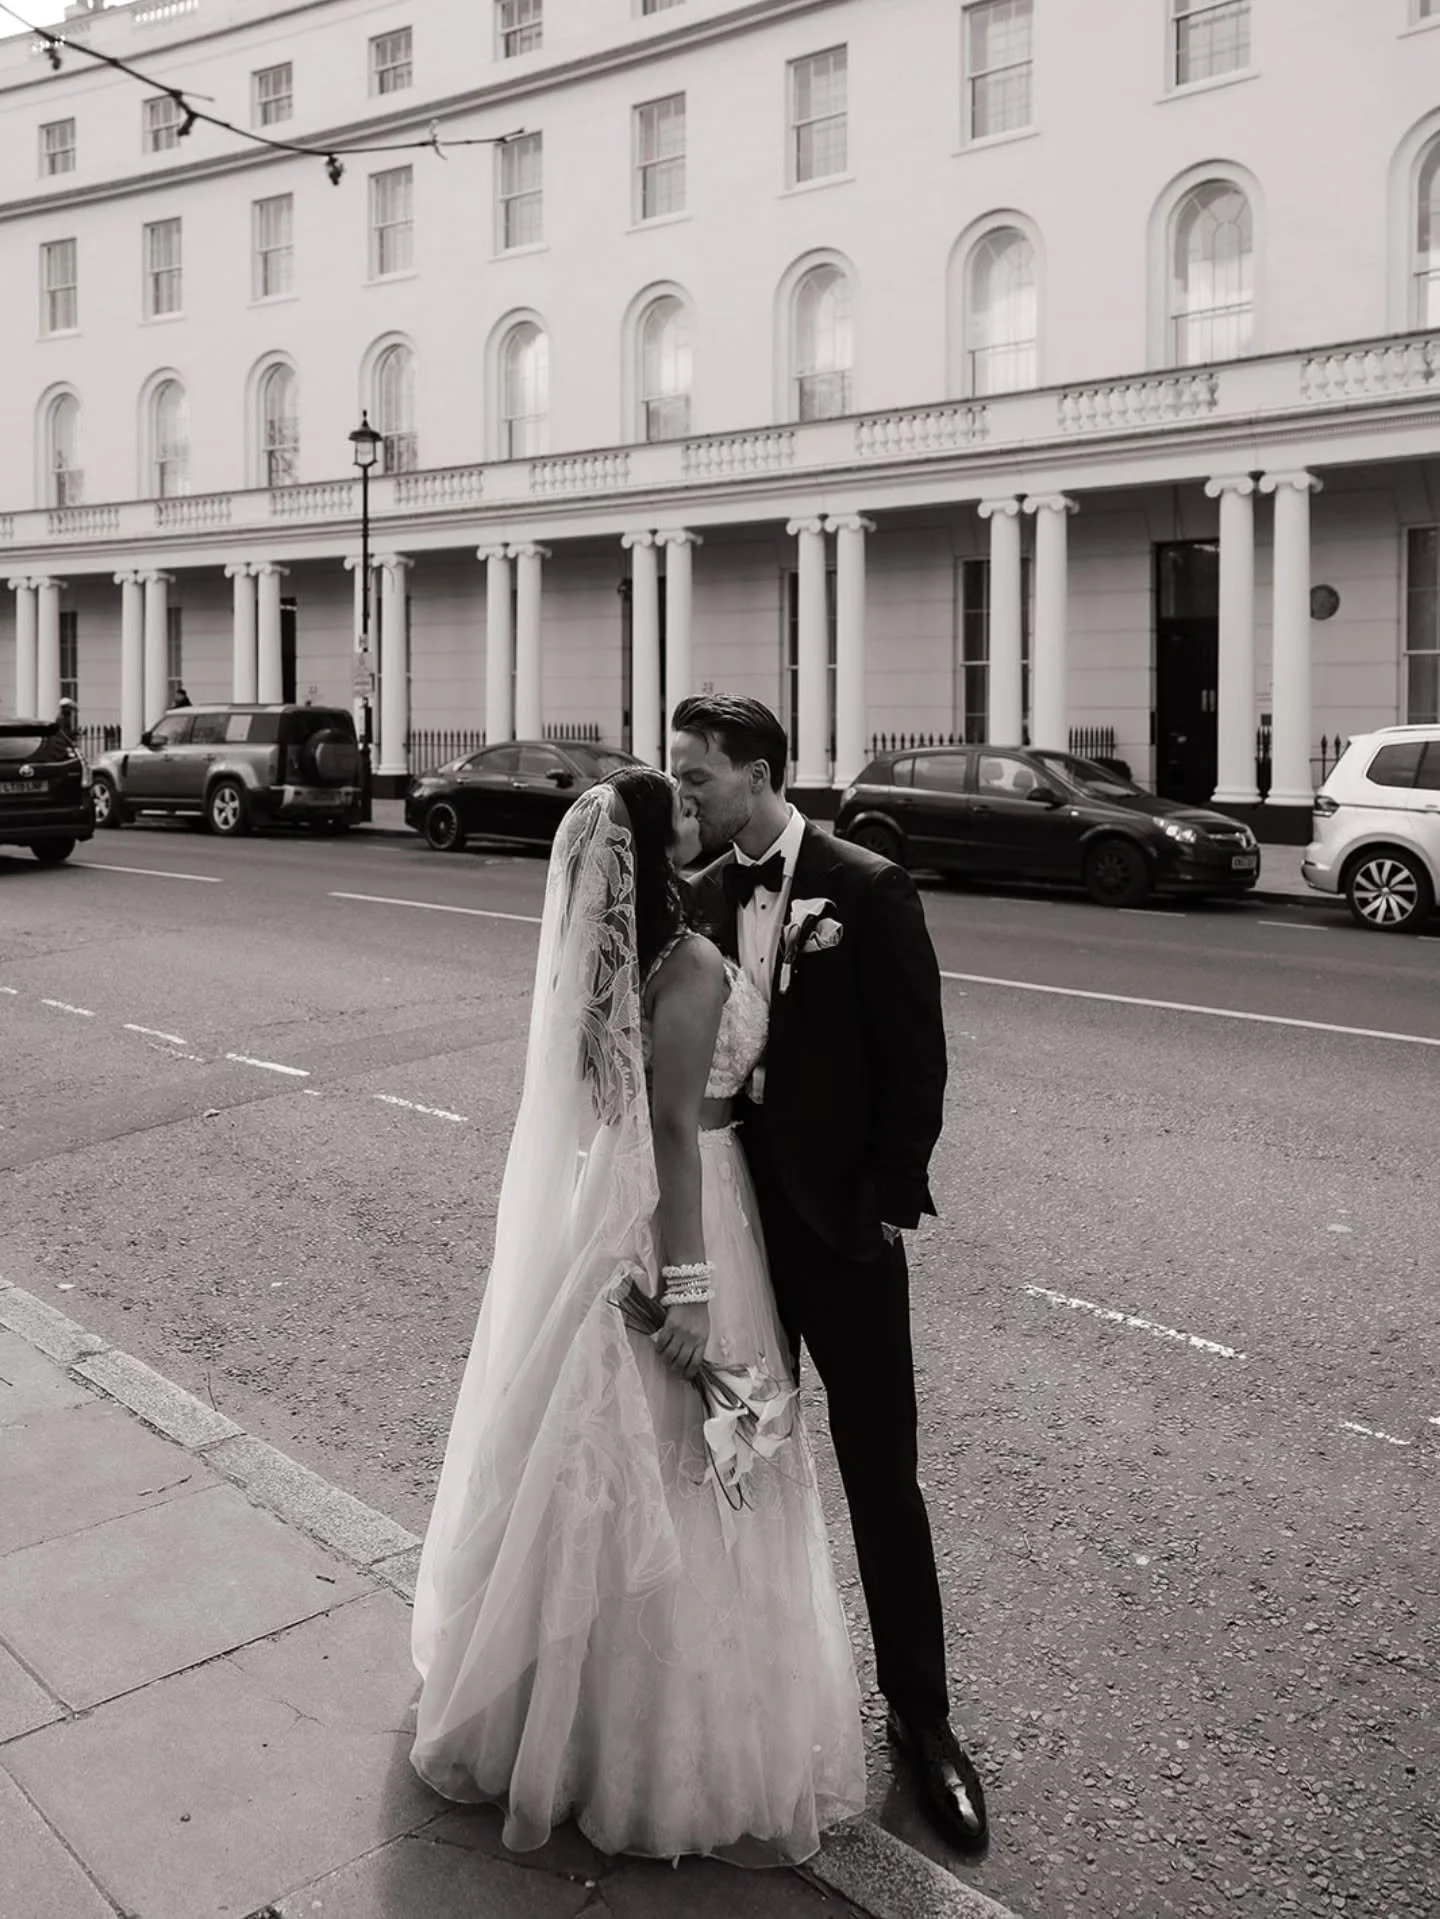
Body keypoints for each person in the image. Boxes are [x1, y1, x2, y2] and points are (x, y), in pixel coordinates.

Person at [411, 765, 864, 1863]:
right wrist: (693, 1290)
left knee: (604, 1457)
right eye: (684, 813)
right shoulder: (694, 961)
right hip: (692, 1204)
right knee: (702, 1460)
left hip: (607, 1205)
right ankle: (667, 1754)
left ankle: (561, 1723)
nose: (702, 816)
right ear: (659, 852)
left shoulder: (615, 967)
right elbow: (673, 1125)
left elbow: (617, 1112)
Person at [671, 693, 989, 1855]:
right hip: (742, 1230)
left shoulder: (865, 887)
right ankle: (746, 1697)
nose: (686, 791)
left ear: (758, 775)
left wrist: (877, 1208)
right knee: (741, 1457)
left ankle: (924, 1721)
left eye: (698, 772)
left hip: (842, 1241)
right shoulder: (701, 899)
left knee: (880, 1475)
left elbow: (919, 1064)